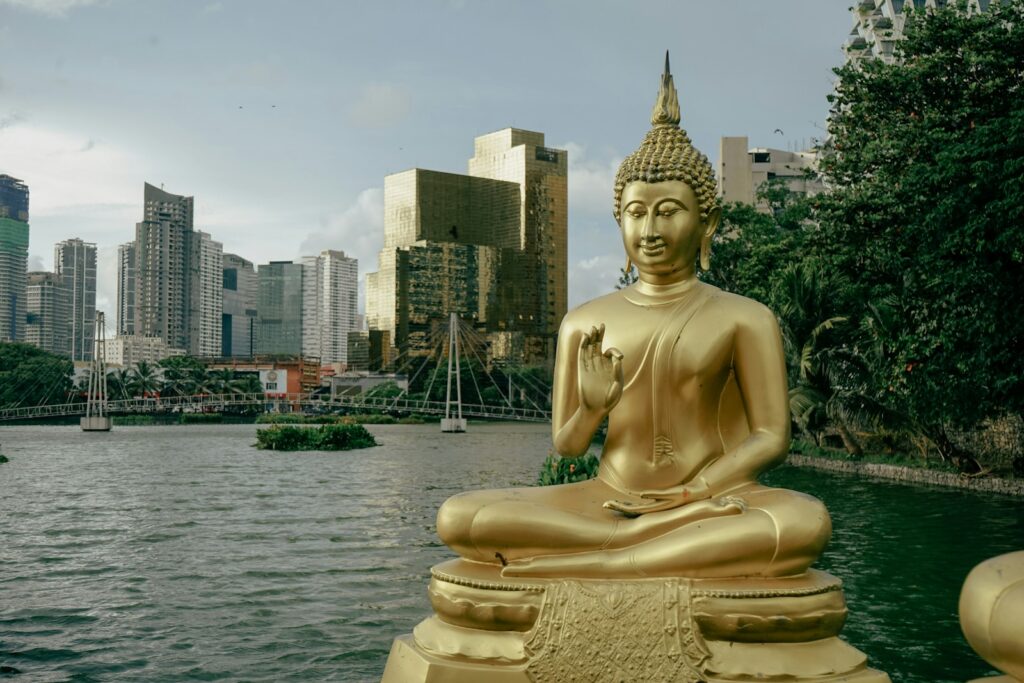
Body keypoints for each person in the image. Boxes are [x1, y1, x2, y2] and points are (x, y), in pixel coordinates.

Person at [435, 55, 830, 579]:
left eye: (669, 211)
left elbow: (770, 438)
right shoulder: (583, 322)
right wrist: (593, 408)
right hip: (607, 498)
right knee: (461, 517)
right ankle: (637, 547)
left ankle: (610, 556)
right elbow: (568, 445)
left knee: (802, 521)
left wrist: (693, 494)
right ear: (619, 218)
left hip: (708, 499)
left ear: (706, 220)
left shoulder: (744, 317)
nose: (650, 229)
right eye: (637, 213)